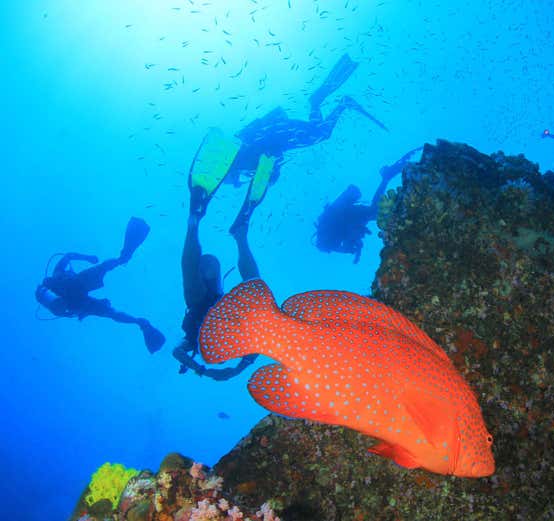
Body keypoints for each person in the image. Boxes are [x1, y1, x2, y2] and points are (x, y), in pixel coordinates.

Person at [222, 53, 387, 202]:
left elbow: (272, 155)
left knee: (321, 133)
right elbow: (271, 156)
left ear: (234, 171)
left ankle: (338, 103)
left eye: (240, 179)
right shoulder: (245, 154)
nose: (244, 179)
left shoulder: (247, 161)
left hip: (283, 134)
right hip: (282, 133)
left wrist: (270, 177)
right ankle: (321, 102)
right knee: (319, 131)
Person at [173, 129, 262, 380]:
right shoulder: (241, 338)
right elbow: (256, 349)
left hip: (203, 294)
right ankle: (240, 234)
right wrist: (236, 369)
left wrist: (203, 370)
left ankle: (194, 220)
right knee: (257, 292)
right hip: (214, 289)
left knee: (192, 289)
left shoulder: (191, 342)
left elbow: (176, 352)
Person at [35, 217, 166, 353]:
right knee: (105, 267)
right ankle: (125, 255)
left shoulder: (56, 281)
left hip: (76, 303)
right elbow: (68, 255)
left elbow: (63, 311)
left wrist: (80, 312)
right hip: (76, 285)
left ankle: (141, 323)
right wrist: (88, 257)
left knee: (111, 313)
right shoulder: (58, 272)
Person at [314, 147, 422, 263]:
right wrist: (355, 251)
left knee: (374, 212)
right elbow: (349, 241)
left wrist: (352, 247)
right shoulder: (329, 237)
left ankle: (387, 178)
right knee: (375, 213)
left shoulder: (330, 239)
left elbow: (348, 234)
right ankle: (390, 181)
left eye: (331, 249)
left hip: (350, 214)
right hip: (350, 214)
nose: (335, 249)